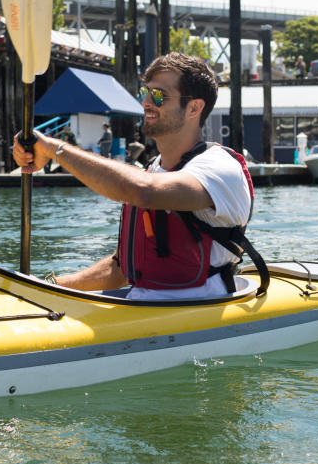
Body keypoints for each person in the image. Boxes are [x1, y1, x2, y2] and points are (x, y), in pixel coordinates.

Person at [13, 52, 263, 300]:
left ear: (194, 108)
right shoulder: (154, 168)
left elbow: (144, 191)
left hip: (195, 315)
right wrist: (46, 287)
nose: (145, 102)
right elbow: (121, 268)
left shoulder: (218, 168)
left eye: (158, 96)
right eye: (145, 93)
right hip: (140, 308)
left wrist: (54, 149)